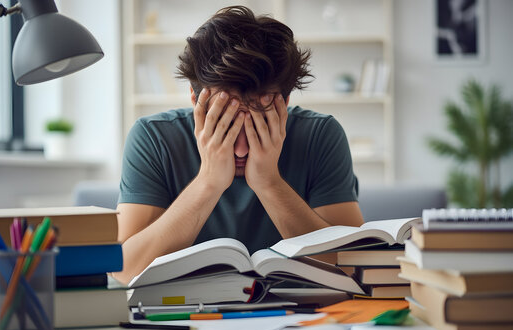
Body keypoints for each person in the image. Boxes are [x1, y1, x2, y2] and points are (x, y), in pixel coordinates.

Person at [113, 6, 363, 284]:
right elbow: (125, 270)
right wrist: (208, 182)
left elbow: (354, 265)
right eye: (225, 123)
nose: (242, 150)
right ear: (195, 101)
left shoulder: (320, 135)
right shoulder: (153, 137)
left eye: (258, 124)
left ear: (286, 104)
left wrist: (269, 182)